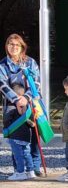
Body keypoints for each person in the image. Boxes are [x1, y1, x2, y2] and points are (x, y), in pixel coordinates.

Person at [1, 34, 42, 176]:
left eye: (17, 45)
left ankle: (35, 167)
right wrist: (16, 100)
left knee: (33, 136)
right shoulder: (2, 65)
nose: (14, 47)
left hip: (31, 103)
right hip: (11, 105)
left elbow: (37, 82)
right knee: (15, 137)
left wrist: (25, 98)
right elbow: (2, 85)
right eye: (10, 44)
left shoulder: (30, 62)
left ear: (22, 47)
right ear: (7, 46)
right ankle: (19, 169)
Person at [4, 82, 36, 180]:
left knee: (18, 155)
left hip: (15, 136)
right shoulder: (29, 108)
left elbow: (6, 120)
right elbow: (32, 122)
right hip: (26, 136)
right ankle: (31, 172)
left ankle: (20, 172)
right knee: (27, 154)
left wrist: (6, 129)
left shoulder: (11, 107)